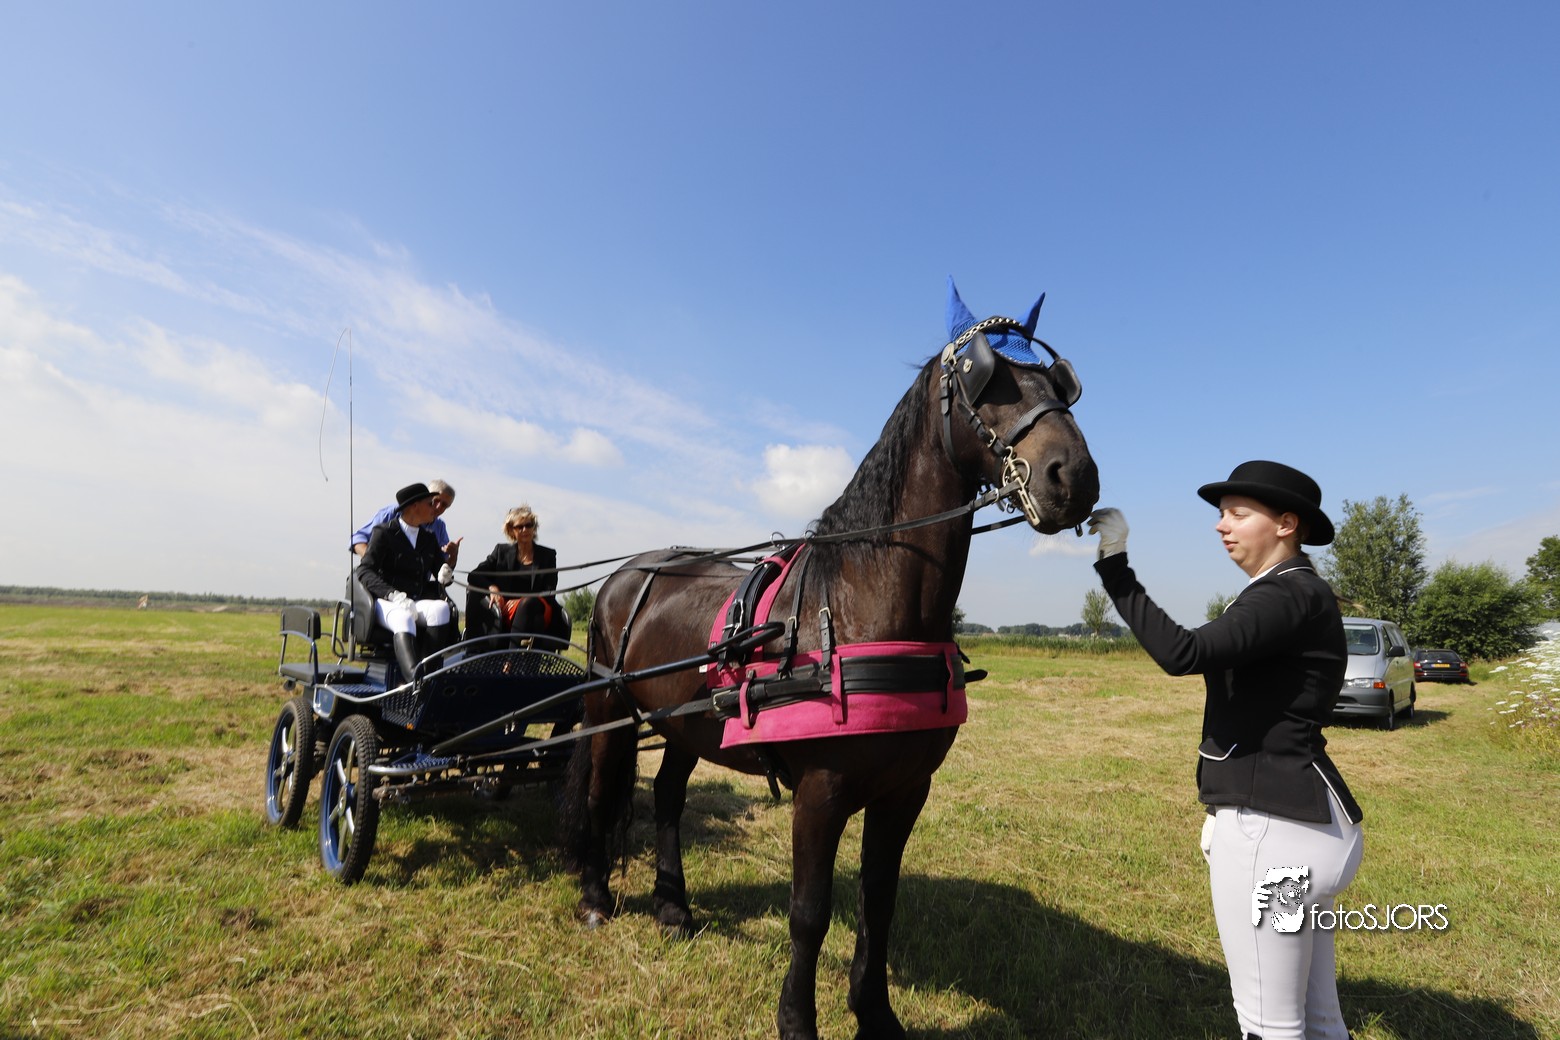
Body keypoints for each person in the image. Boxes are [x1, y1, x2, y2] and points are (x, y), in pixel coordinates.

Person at [1087, 461, 1363, 1040]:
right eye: (1221, 514)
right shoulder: (1295, 591)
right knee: (1318, 1019)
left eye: (1237, 513)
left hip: (1275, 832)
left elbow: (1183, 653)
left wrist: (1115, 566)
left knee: (1269, 1025)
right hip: (1304, 821)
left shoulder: (1285, 593)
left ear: (1286, 524)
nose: (1221, 525)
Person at [357, 482, 460, 680]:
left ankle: (429, 675)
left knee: (441, 609)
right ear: (414, 506)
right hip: (385, 602)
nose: (435, 509)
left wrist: (446, 573)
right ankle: (414, 678)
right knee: (403, 617)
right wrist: (393, 595)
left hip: (415, 600)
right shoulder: (384, 533)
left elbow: (441, 572)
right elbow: (364, 570)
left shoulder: (429, 538)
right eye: (430, 504)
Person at [467, 505, 567, 641]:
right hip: (506, 611)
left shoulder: (548, 555)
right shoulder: (501, 552)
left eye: (529, 525)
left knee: (528, 604)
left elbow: (549, 591)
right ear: (511, 530)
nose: (525, 530)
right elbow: (474, 575)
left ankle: (512, 654)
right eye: (520, 527)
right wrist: (492, 588)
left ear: (534, 528)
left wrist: (520, 603)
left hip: (539, 609)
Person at [351, 478, 462, 567]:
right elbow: (358, 539)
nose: (438, 507)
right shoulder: (393, 513)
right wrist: (376, 563)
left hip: (417, 586)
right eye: (435, 501)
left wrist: (453, 555)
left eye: (444, 505)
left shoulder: (438, 528)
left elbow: (441, 570)